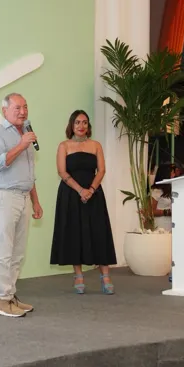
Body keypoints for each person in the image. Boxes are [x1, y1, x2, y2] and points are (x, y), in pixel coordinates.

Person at [0, 93, 43, 317]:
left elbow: (29, 173)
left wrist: (36, 201)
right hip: (5, 196)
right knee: (4, 251)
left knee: (18, 253)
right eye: (17, 108)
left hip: (24, 196)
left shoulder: (25, 133)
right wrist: (21, 145)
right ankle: (1, 301)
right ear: (5, 111)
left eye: (25, 107)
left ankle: (10, 295)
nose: (23, 112)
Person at [50, 110, 117, 294]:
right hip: (71, 194)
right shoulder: (64, 146)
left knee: (99, 232)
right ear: (71, 125)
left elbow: (101, 171)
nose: (81, 126)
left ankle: (105, 277)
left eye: (85, 122)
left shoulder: (96, 145)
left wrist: (91, 190)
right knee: (75, 233)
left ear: (88, 126)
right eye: (77, 122)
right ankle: (78, 276)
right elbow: (62, 172)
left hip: (94, 193)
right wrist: (80, 190)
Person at [151, 163, 174, 232]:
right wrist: (167, 212)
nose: (174, 175)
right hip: (161, 224)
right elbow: (151, 211)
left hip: (170, 223)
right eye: (172, 173)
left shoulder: (171, 189)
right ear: (166, 175)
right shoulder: (156, 191)